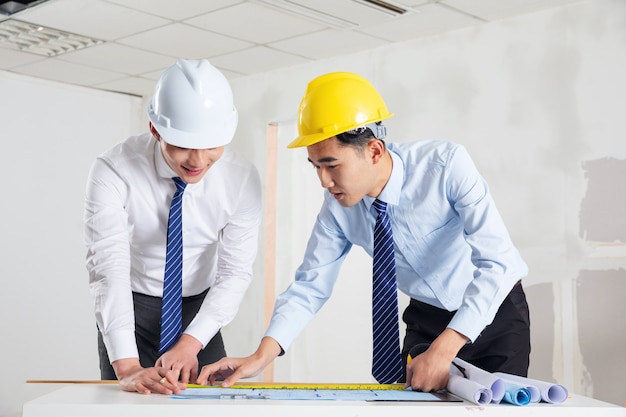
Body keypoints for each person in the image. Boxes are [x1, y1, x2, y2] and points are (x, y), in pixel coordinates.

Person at [197, 71, 531, 392]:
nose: (324, 182)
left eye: (331, 165)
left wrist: (445, 350)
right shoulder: (337, 209)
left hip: (494, 312)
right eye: (316, 167)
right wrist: (261, 356)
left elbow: (500, 264)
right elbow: (310, 287)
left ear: (373, 150)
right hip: (426, 318)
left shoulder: (446, 166)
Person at [84, 59, 262, 395]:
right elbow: (109, 269)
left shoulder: (241, 179)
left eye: (210, 146)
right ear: (155, 129)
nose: (196, 162)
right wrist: (127, 367)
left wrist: (191, 343)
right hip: (130, 306)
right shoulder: (113, 169)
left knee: (209, 408)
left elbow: (235, 272)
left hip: (197, 308)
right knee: (126, 406)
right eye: (182, 146)